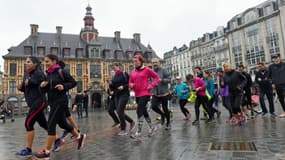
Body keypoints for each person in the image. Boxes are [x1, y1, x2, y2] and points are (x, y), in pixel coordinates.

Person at [33, 54, 86, 159]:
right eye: (44, 61)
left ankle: (46, 152)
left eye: (47, 61)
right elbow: (47, 90)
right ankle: (79, 136)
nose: (45, 63)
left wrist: (64, 86)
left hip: (61, 101)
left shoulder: (62, 72)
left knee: (51, 124)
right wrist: (42, 86)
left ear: (54, 61)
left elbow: (73, 83)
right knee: (63, 124)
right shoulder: (48, 74)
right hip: (52, 102)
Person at [16, 56, 48, 157]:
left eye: (29, 62)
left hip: (39, 102)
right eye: (26, 62)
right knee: (44, 124)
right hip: (32, 102)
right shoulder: (26, 74)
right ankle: (57, 139)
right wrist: (21, 87)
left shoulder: (38, 73)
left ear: (35, 64)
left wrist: (30, 82)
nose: (26, 63)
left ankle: (28, 149)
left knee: (28, 123)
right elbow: (27, 88)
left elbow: (42, 84)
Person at [129, 54, 159, 138]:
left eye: (136, 61)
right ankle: (152, 127)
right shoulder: (133, 71)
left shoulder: (147, 70)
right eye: (133, 61)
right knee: (144, 111)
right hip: (137, 94)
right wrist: (131, 85)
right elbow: (130, 81)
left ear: (141, 61)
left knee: (139, 111)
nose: (134, 63)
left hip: (145, 93)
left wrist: (152, 85)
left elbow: (156, 77)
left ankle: (138, 132)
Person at [110, 63, 135, 136]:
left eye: (114, 67)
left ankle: (123, 129)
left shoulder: (124, 74)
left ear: (118, 67)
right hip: (117, 95)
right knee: (119, 111)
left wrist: (123, 87)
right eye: (112, 68)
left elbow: (129, 83)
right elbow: (113, 87)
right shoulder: (114, 77)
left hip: (124, 94)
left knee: (120, 110)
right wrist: (111, 87)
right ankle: (131, 121)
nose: (113, 69)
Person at [151, 58, 171, 130]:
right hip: (155, 93)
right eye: (153, 63)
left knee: (165, 109)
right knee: (153, 106)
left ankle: (168, 123)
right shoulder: (151, 71)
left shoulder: (163, 70)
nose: (155, 64)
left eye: (156, 62)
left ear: (158, 63)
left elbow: (169, 79)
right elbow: (149, 80)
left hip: (164, 93)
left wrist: (162, 80)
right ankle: (162, 115)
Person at [269, 54, 285, 118]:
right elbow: (269, 76)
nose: (275, 59)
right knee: (281, 99)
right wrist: (272, 83)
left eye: (277, 57)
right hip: (277, 85)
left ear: (279, 58)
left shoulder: (284, 64)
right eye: (274, 58)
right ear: (273, 59)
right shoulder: (271, 67)